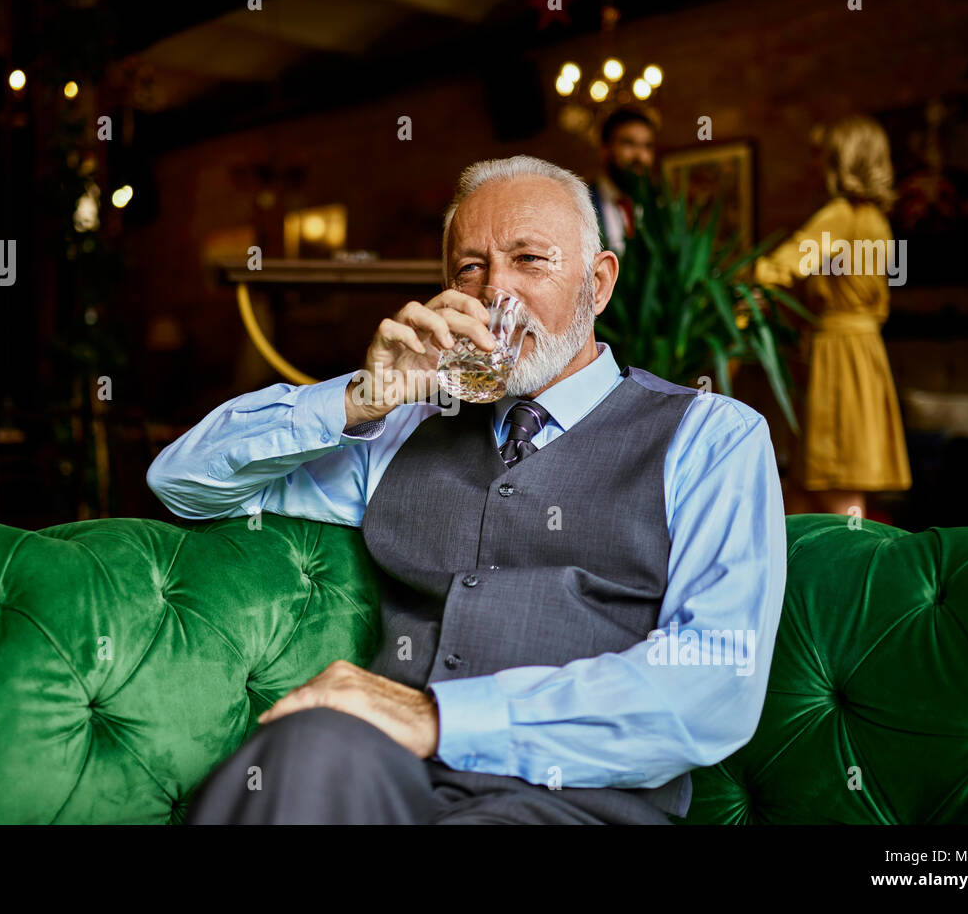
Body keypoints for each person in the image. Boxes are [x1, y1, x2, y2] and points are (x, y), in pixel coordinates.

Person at [148, 155, 787, 825]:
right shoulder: (403, 430)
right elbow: (183, 481)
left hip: (574, 807)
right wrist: (360, 398)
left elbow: (715, 679)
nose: (495, 294)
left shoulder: (711, 436)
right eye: (470, 268)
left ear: (596, 286)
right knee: (305, 744)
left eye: (530, 260)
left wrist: (440, 716)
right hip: (384, 781)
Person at [753, 115, 912, 518]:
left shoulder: (841, 214)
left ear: (841, 159)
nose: (814, 164)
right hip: (865, 351)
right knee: (824, 483)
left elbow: (790, 262)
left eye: (821, 155)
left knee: (834, 482)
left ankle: (849, 572)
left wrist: (741, 281)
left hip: (837, 355)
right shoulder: (876, 220)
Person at [588, 107, 658, 260]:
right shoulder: (581, 204)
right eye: (629, 143)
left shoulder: (659, 205)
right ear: (605, 149)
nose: (640, 156)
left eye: (647, 146)